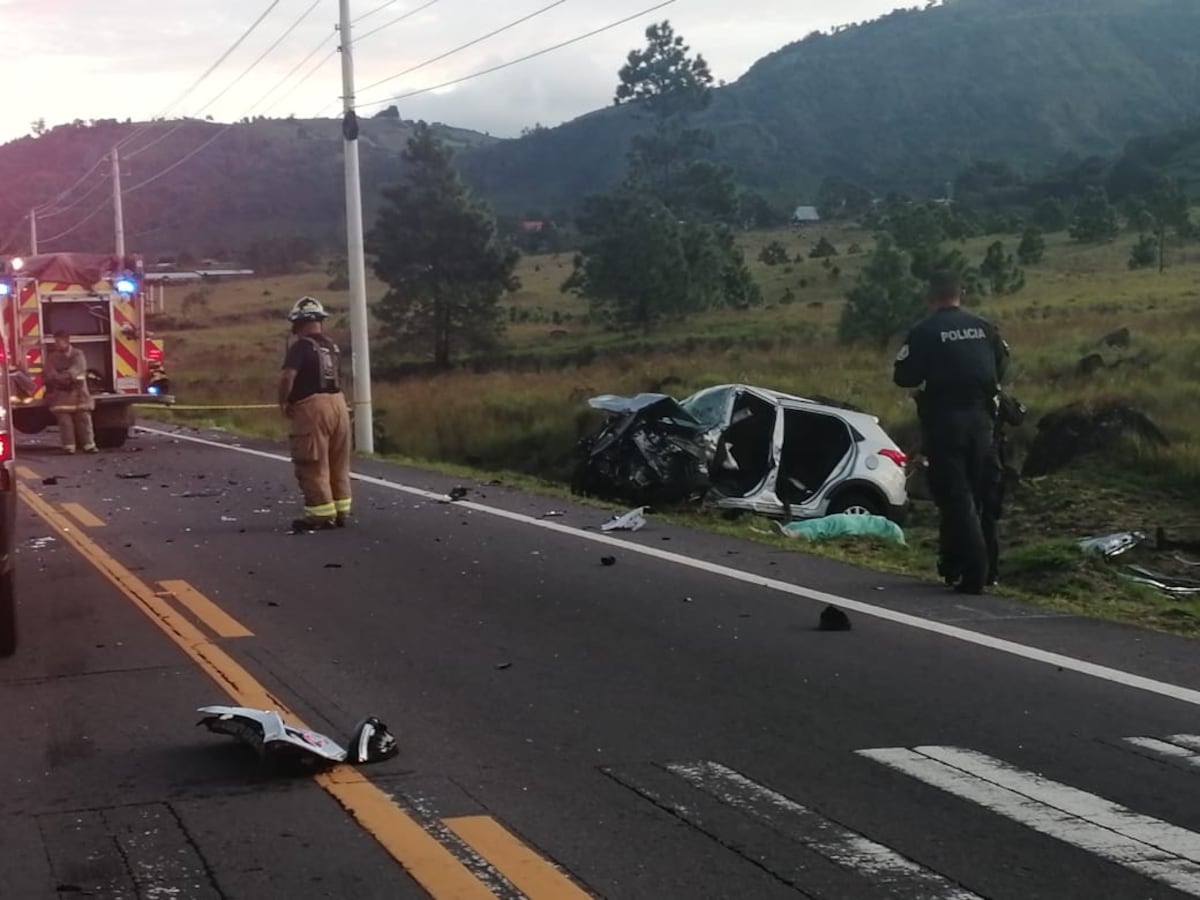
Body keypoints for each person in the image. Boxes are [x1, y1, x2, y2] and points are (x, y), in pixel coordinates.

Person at [893, 272, 1009, 594]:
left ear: (930, 296)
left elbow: (904, 376)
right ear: (962, 293)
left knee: (955, 495)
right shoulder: (985, 328)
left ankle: (974, 570)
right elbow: (1000, 368)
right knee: (980, 493)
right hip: (983, 422)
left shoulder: (924, 330)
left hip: (945, 422)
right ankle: (975, 568)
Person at [278, 297, 352, 531]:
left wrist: (284, 402)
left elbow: (288, 376)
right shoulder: (332, 346)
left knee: (312, 462)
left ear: (298, 323)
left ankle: (320, 514)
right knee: (337, 461)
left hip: (312, 407)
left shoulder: (301, 346)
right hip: (339, 404)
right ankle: (341, 510)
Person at [45, 331, 97, 455]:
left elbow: (78, 368)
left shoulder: (78, 354)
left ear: (67, 340)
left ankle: (88, 445)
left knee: (83, 419)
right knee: (64, 422)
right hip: (62, 394)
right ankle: (69, 446)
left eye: (59, 341)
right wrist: (60, 378)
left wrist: (63, 377)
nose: (56, 344)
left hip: (79, 393)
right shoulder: (52, 357)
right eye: (55, 341)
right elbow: (50, 372)